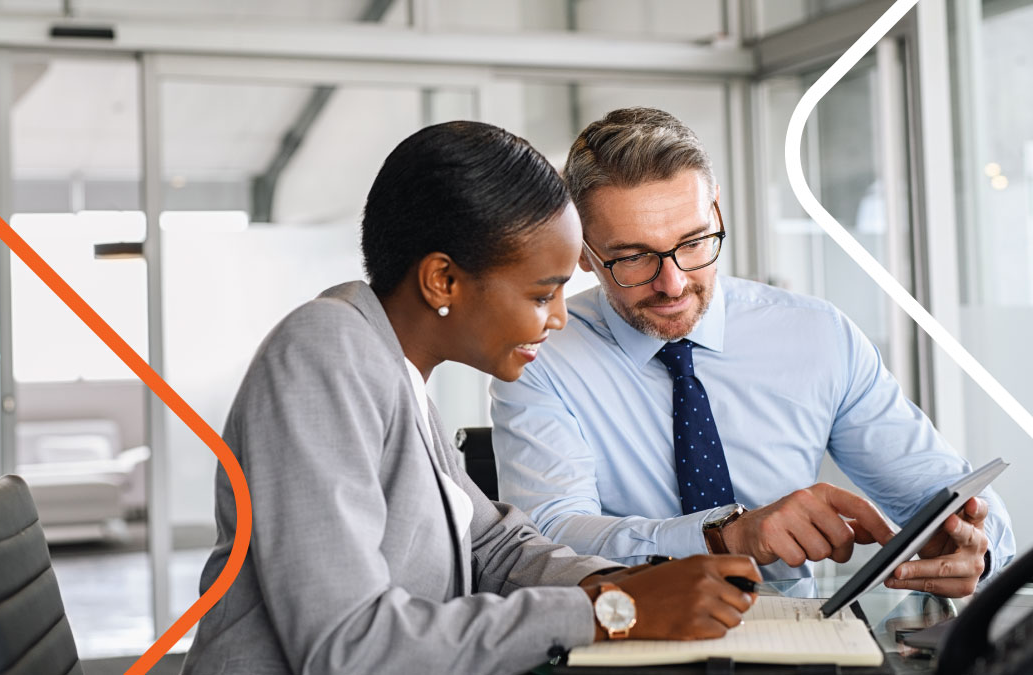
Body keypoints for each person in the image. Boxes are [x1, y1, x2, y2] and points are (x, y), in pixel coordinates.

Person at [180, 121, 760, 675]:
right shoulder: (326, 353)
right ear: (443, 281)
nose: (559, 318)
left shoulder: (393, 370)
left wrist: (625, 585)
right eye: (542, 294)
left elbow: (494, 544)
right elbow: (346, 646)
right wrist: (613, 612)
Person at [490, 107, 1014, 596]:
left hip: (807, 643)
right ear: (583, 251)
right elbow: (548, 541)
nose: (673, 284)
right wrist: (725, 537)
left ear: (716, 210)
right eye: (633, 258)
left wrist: (974, 547)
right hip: (632, 643)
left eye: (694, 243)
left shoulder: (816, 336)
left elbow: (947, 493)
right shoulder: (541, 354)